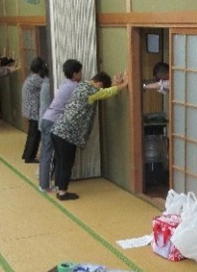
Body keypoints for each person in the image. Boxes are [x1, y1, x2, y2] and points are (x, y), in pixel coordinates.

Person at [50, 70, 129, 201]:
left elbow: (104, 91)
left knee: (60, 161)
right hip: (67, 133)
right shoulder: (91, 90)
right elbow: (106, 93)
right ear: (99, 84)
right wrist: (124, 84)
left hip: (57, 130)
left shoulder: (82, 85)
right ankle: (62, 192)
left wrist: (115, 85)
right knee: (66, 163)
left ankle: (59, 187)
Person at [38, 59, 82, 193]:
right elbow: (90, 90)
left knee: (46, 153)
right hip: (53, 121)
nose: (81, 75)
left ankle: (44, 182)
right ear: (74, 74)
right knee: (49, 154)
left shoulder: (65, 84)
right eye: (80, 72)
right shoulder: (74, 86)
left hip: (47, 118)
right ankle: (45, 185)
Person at [21, 57, 49, 163]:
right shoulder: (37, 78)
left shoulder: (32, 77)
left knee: (32, 133)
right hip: (33, 110)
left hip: (29, 108)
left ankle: (27, 154)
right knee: (34, 135)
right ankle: (29, 157)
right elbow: (48, 83)